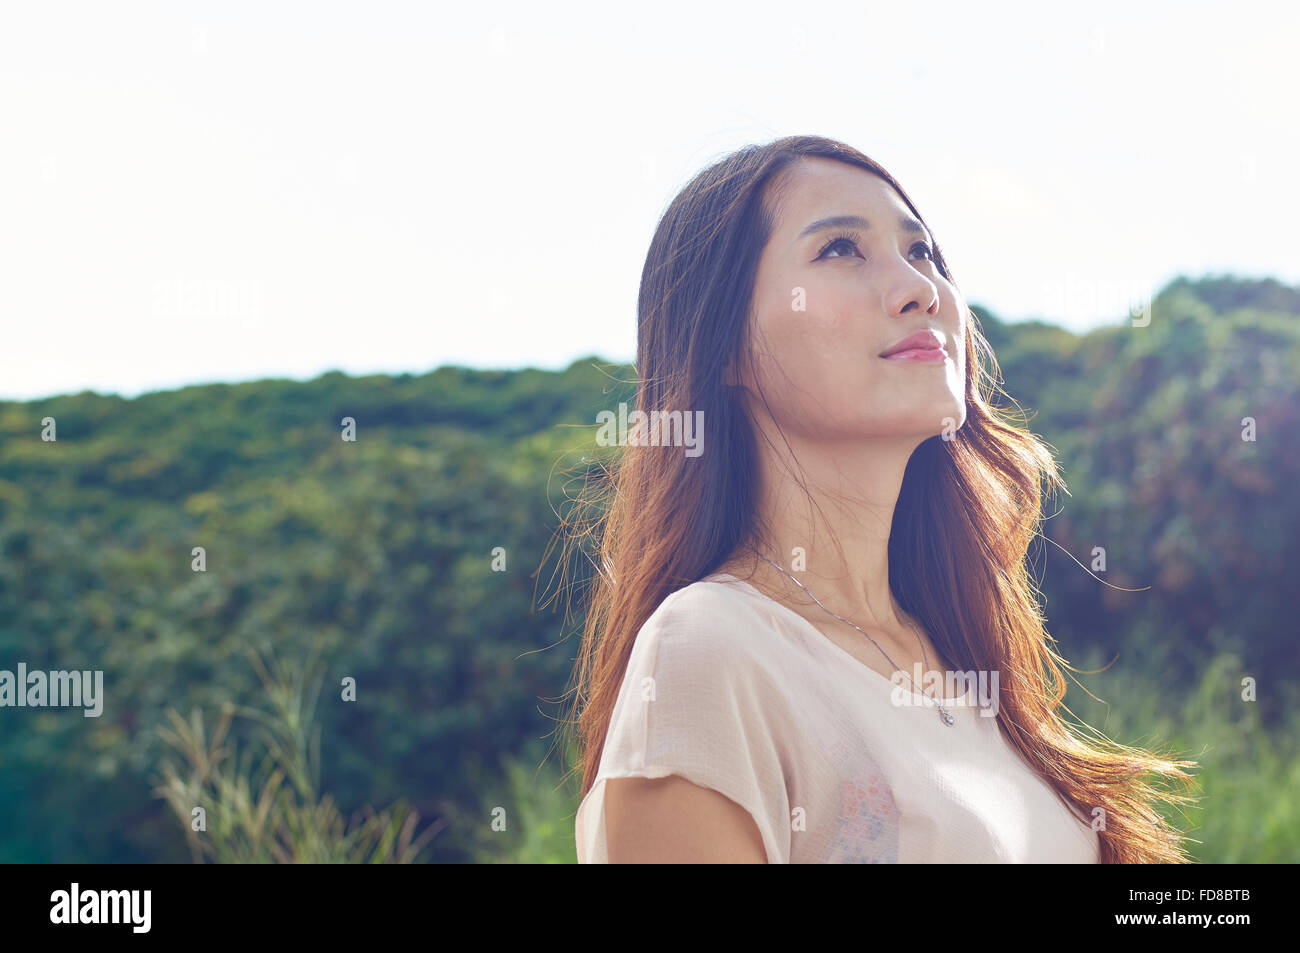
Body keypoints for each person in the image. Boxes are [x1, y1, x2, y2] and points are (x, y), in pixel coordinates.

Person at [561, 135, 1196, 863]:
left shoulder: (958, 650)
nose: (920, 288)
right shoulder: (707, 650)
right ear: (725, 344)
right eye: (839, 249)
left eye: (921, 252)